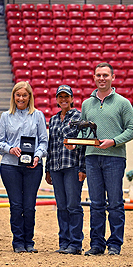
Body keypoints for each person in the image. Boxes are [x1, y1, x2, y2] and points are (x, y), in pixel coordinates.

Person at [74, 62, 133, 256]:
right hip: (92, 158)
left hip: (114, 158)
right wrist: (75, 143)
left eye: (105, 75)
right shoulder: (86, 104)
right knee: (96, 203)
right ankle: (96, 244)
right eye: (98, 75)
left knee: (115, 202)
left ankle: (115, 244)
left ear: (113, 78)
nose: (102, 78)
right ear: (94, 77)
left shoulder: (123, 103)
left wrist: (114, 141)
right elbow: (84, 132)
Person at [0, 81, 48, 253]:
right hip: (10, 166)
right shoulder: (6, 116)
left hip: (33, 167)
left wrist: (37, 155)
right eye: (18, 95)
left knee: (29, 206)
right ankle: (18, 242)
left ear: (30, 97)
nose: (21, 98)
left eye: (25, 95)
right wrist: (10, 148)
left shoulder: (38, 116)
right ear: (13, 96)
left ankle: (29, 241)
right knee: (16, 205)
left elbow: (44, 141)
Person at [45, 85, 86, 255]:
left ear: (72, 99)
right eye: (60, 97)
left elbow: (83, 144)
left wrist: (83, 167)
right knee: (61, 206)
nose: (63, 99)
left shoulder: (78, 116)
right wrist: (47, 169)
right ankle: (64, 242)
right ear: (56, 99)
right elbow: (51, 145)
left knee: (73, 205)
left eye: (66, 96)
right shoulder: (53, 119)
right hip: (56, 167)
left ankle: (75, 243)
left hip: (72, 166)